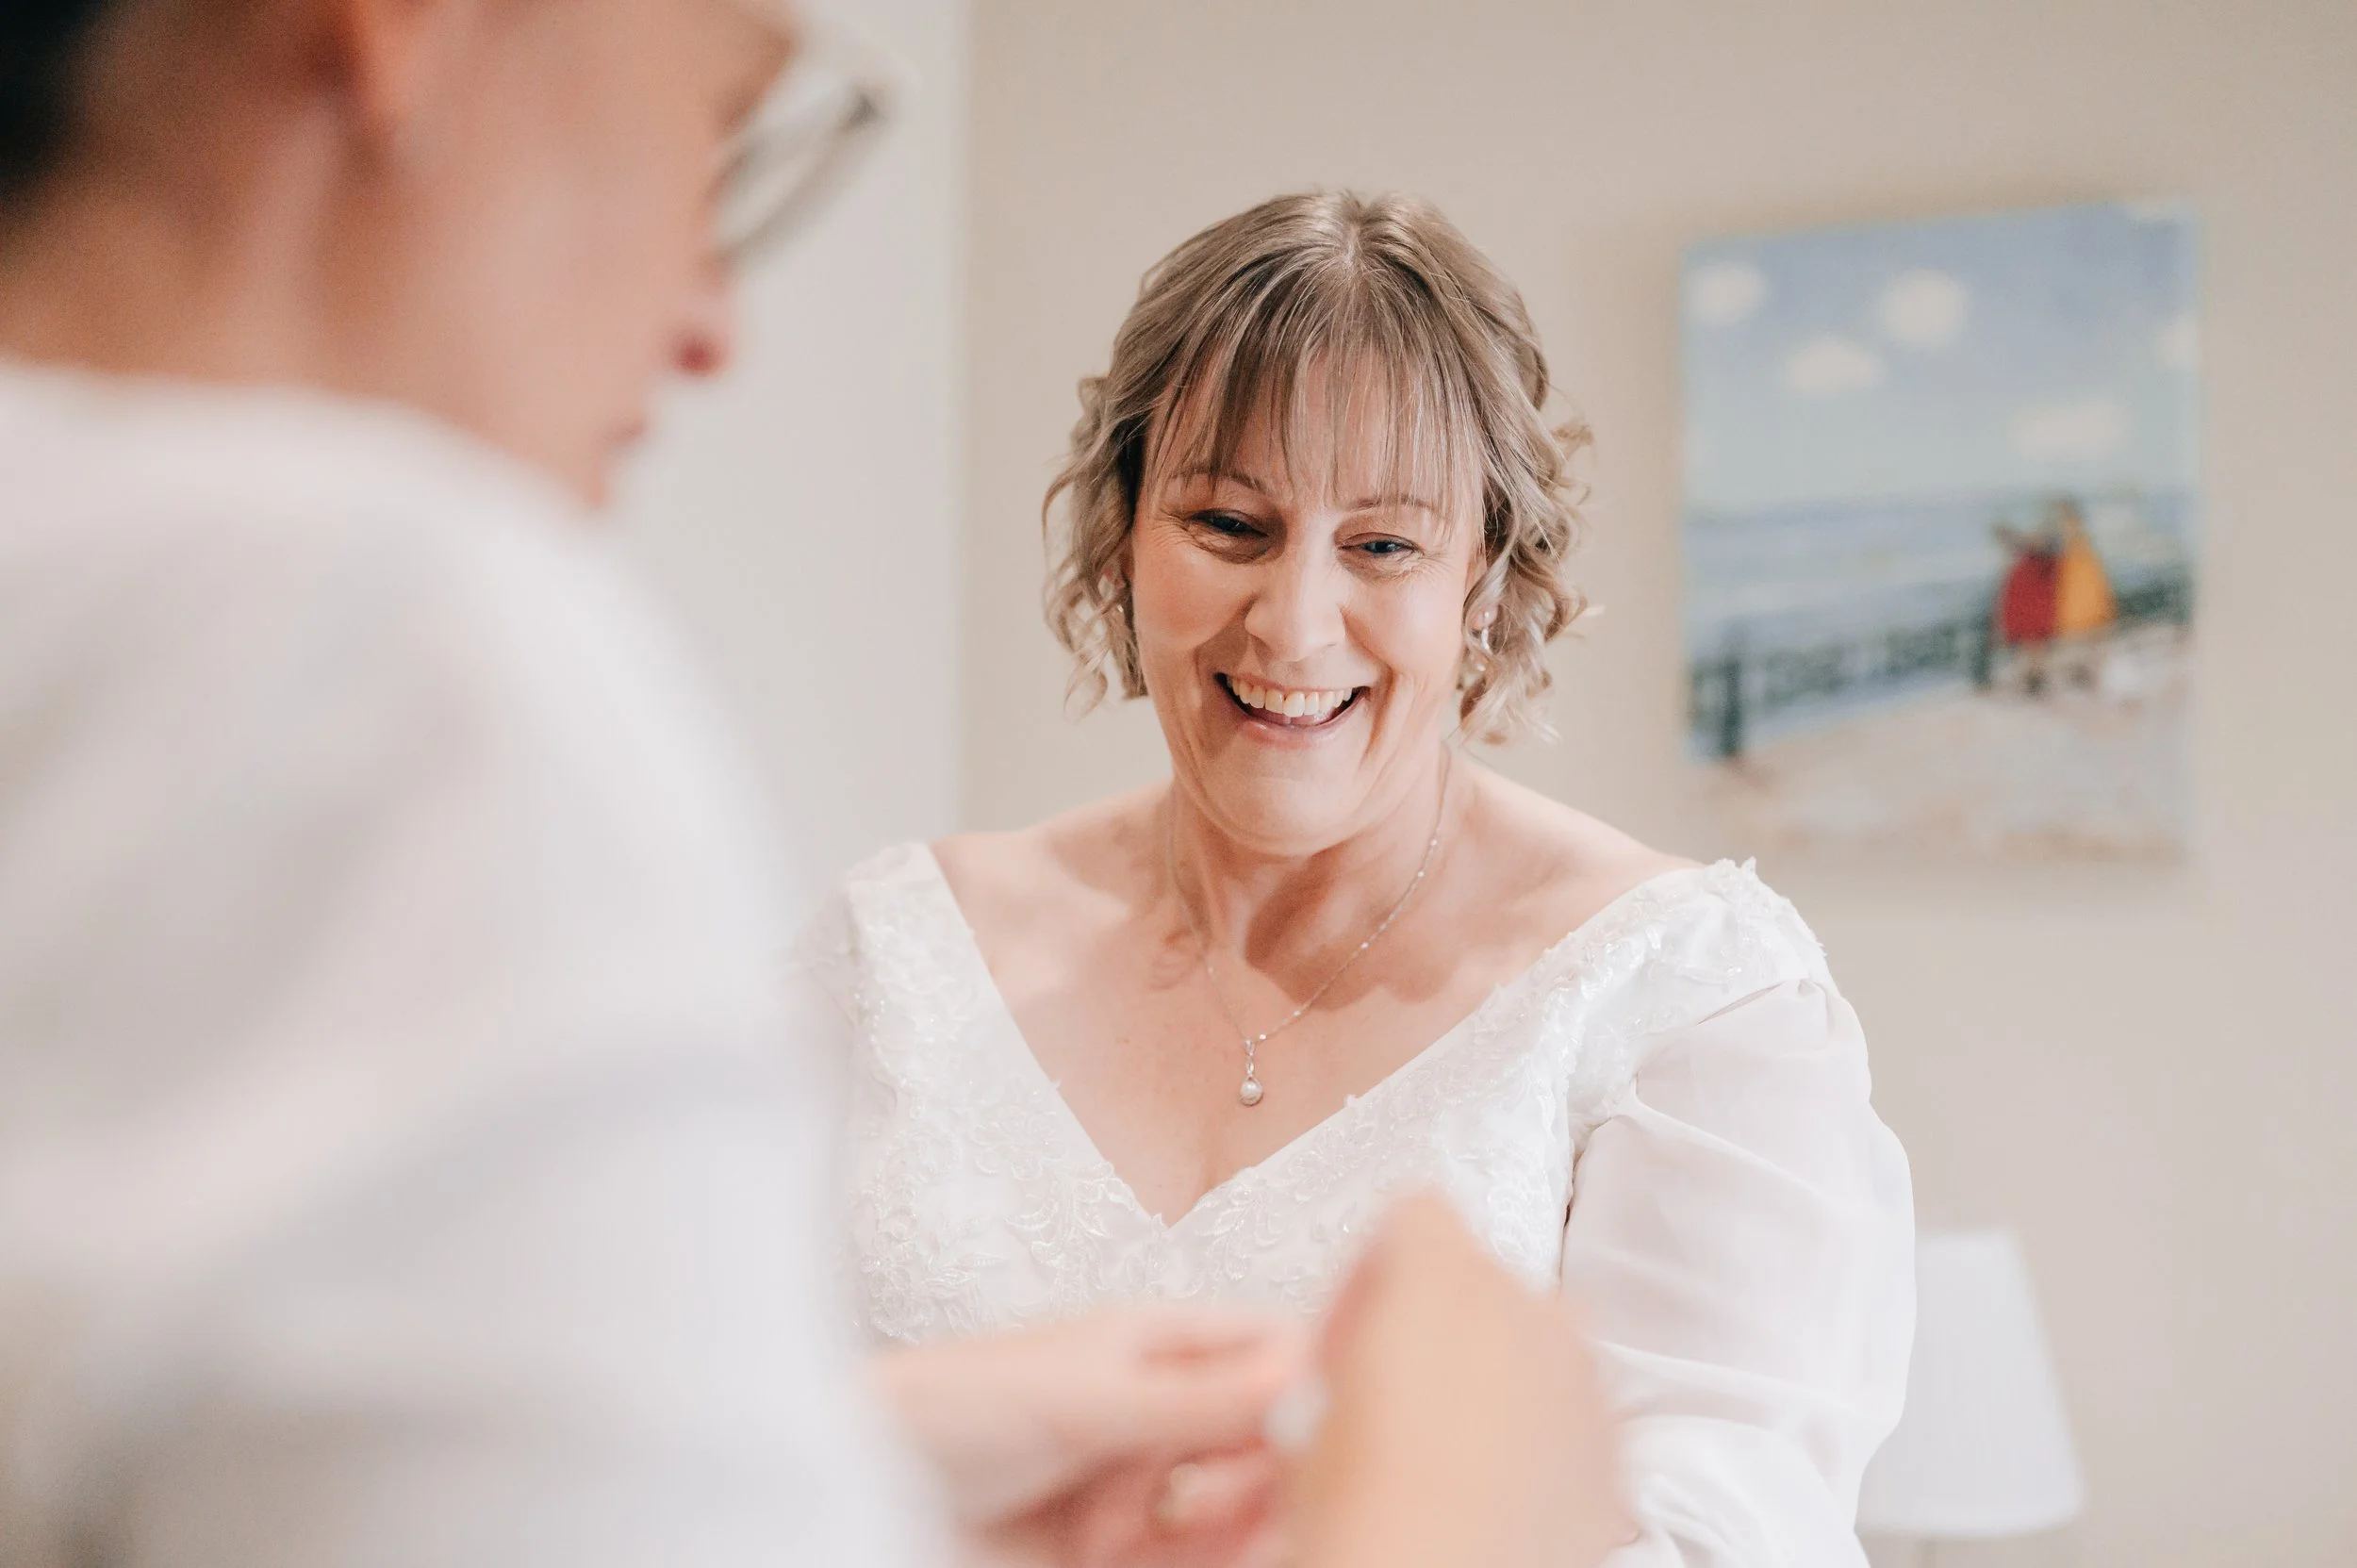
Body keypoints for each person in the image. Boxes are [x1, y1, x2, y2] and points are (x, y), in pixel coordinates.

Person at [0, 4, 1624, 1566]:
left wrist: (871, 1458)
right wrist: (1443, 1506)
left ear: (1485, 573)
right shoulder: (386, 668)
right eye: (718, 126)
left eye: (1386, 542)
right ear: (404, 26)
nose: (716, 317)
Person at [807, 190, 1918, 1564]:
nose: (1294, 620)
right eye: (1229, 523)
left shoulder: (1682, 1002)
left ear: (1486, 581)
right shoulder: (894, 956)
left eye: (1384, 544)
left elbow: (1734, 1536)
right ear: (1121, 532)